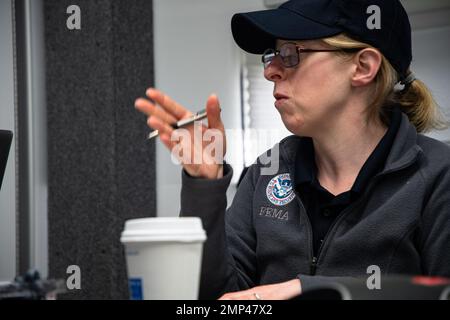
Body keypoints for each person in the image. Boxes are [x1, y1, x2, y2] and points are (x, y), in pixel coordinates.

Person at [135, 0, 450, 300]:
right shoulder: (265, 172)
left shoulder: (438, 176)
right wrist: (204, 186)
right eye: (273, 54)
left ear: (362, 67)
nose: (270, 71)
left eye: (291, 53)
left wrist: (311, 291)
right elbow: (218, 298)